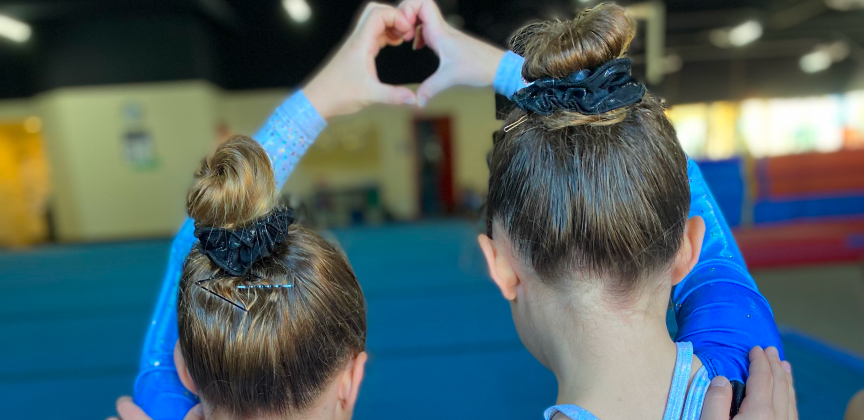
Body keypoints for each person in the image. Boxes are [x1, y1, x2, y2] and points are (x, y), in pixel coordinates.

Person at [114, 1, 785, 419]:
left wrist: (321, 98)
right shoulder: (748, 378)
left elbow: (202, 247)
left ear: (501, 266)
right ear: (686, 246)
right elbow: (662, 168)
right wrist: (498, 68)